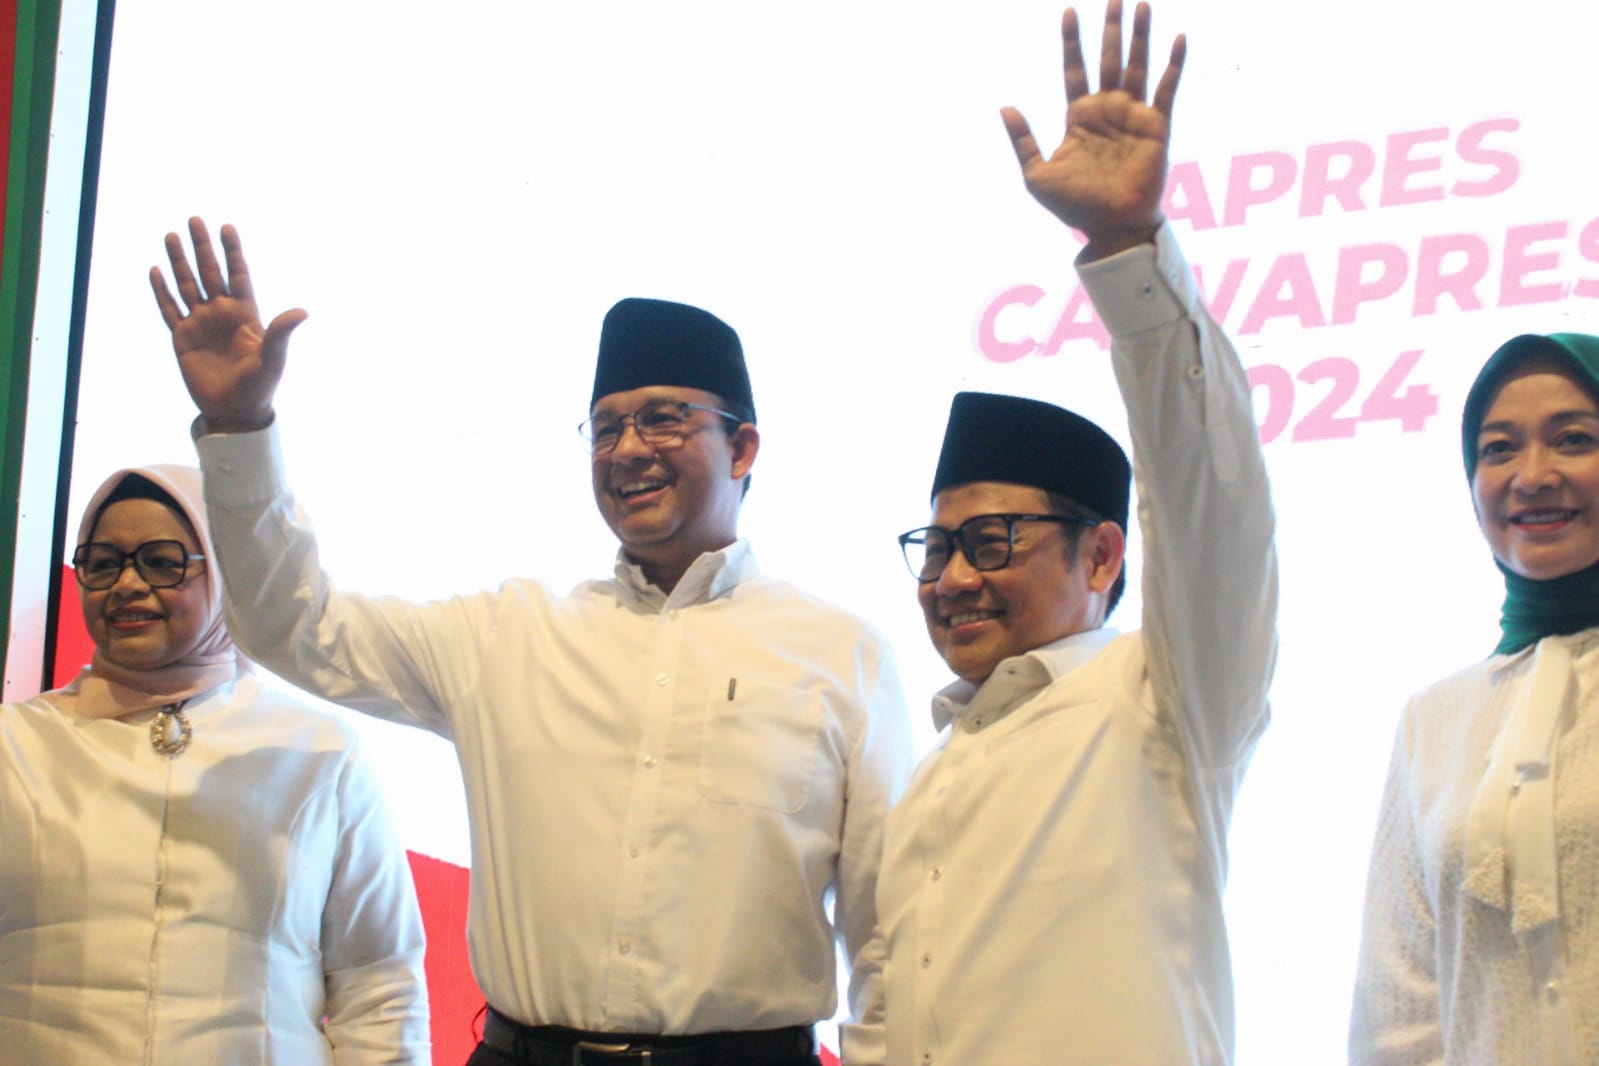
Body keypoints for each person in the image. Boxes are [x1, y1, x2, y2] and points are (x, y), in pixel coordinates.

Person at [149, 229, 912, 1065]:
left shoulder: (841, 654)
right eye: (606, 426)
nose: (627, 449)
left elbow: (887, 935)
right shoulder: (506, 636)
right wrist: (239, 424)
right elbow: (294, 624)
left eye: (663, 419)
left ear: (743, 446)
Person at [875, 3, 1278, 1063]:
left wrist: (1129, 255)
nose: (951, 577)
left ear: (1103, 554)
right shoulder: (930, 775)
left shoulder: (1163, 702)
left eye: (992, 539)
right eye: (937, 545)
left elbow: (1210, 500)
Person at [0, 464, 429, 1064]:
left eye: (162, 560)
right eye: (102, 562)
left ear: (225, 571)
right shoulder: (15, 744)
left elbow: (380, 987)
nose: (126, 584)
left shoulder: (315, 751)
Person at [1351, 332, 1599, 1064]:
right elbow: (1399, 1008)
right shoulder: (1436, 717)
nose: (1531, 476)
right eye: (1497, 449)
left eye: (1572, 440)